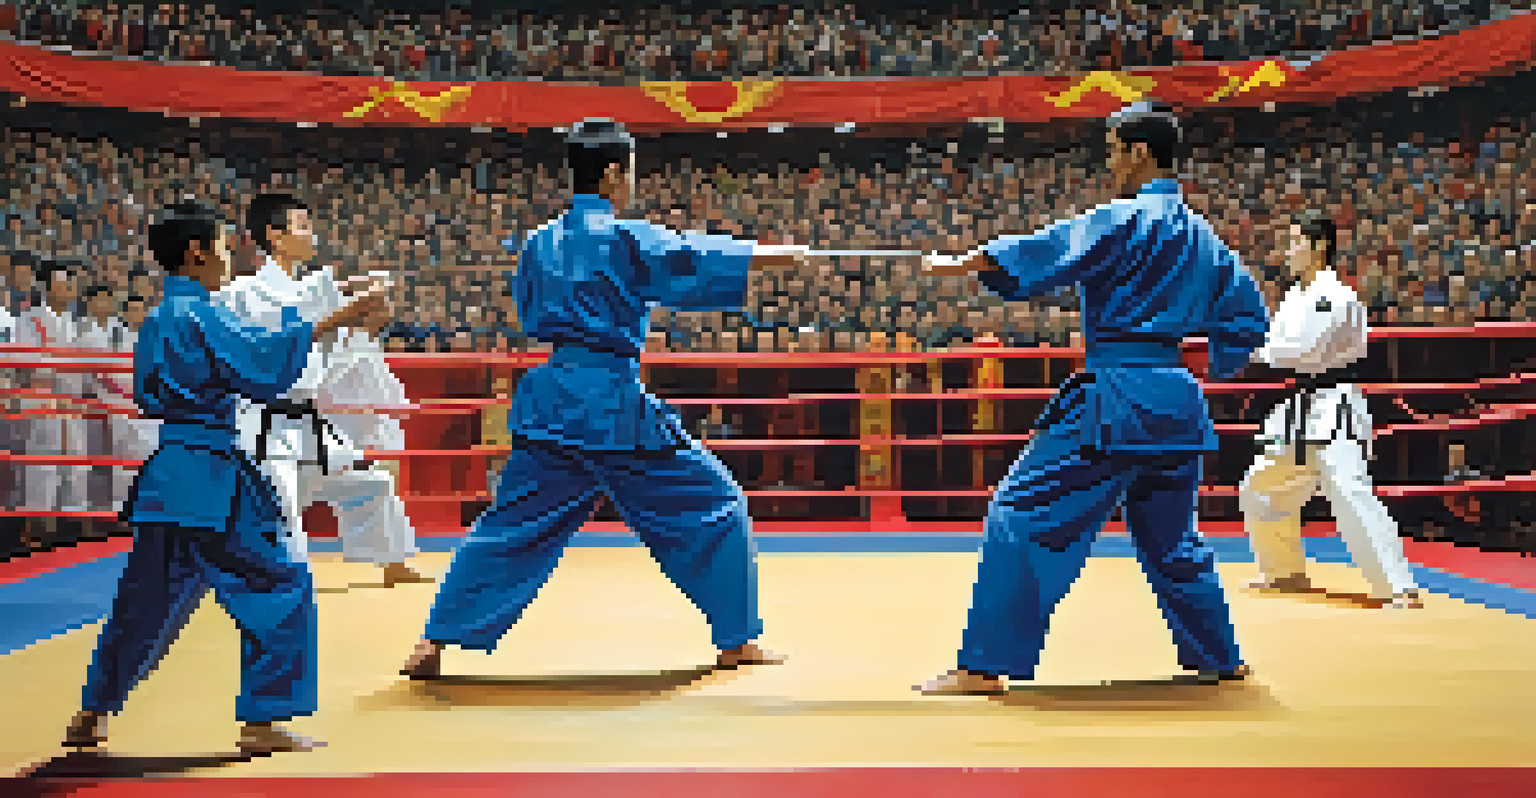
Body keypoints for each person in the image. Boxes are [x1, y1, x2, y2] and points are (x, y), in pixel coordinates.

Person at [401, 119, 798, 679]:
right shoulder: (626, 235)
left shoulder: (539, 243)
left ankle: (434, 641)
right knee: (718, 502)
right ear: (614, 172)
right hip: (610, 402)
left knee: (511, 525)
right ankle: (737, 639)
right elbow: (688, 259)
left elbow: (530, 313)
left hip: (552, 399)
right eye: (630, 172)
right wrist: (765, 257)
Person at [916, 103, 1271, 695]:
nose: (1109, 164)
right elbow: (1246, 319)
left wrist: (972, 265)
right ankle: (1221, 656)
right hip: (1177, 402)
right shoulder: (1207, 239)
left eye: (1112, 151)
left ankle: (982, 665)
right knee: (1173, 539)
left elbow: (1050, 252)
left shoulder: (1122, 219)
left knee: (1018, 512)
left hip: (1117, 398)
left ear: (1137, 152)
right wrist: (1207, 365)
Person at [61, 201, 390, 755]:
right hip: (213, 474)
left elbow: (159, 388)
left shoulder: (159, 321)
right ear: (196, 252)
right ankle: (263, 722)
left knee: (143, 601)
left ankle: (92, 713)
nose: (227, 256)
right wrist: (341, 318)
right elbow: (262, 361)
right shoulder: (200, 314)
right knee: (280, 582)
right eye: (220, 245)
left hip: (170, 477)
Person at [214, 193, 427, 586]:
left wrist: (363, 289)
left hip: (309, 421)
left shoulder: (299, 288)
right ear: (275, 236)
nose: (312, 235)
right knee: (280, 508)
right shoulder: (243, 294)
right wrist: (349, 308)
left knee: (371, 482)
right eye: (303, 226)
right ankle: (263, 577)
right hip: (266, 422)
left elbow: (313, 295)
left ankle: (392, 561)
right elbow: (279, 338)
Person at [1239, 212, 1422, 608]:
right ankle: (1283, 572)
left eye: (1294, 243)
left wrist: (1255, 349)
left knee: (1350, 492)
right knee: (1262, 487)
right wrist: (1263, 347)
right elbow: (1279, 344)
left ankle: (1398, 585)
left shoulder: (1334, 295)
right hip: (1301, 408)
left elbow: (1303, 351)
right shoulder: (1295, 296)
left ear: (1318, 246)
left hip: (1333, 403)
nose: (1287, 252)